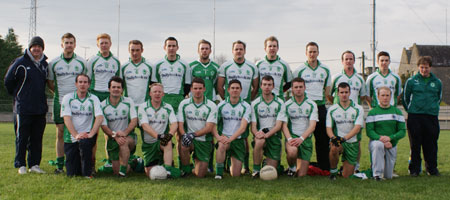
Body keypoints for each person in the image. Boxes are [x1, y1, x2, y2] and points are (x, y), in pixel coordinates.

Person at [5, 36, 49, 175]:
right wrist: (19, 96)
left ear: (42, 49)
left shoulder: (44, 65)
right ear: (30, 48)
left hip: (40, 108)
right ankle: (21, 164)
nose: (36, 49)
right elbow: (8, 81)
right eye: (34, 46)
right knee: (22, 137)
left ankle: (34, 164)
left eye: (39, 47)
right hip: (23, 108)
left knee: (37, 138)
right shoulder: (20, 62)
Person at [47, 33, 87, 174]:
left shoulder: (82, 62)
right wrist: (61, 96)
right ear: (62, 44)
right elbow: (50, 82)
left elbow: (86, 81)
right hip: (60, 101)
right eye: (66, 42)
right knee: (61, 132)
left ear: (75, 45)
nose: (69, 45)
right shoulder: (54, 63)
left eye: (71, 42)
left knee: (78, 131)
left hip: (78, 102)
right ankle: (59, 165)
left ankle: (78, 161)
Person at [217, 40, 258, 173]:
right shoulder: (225, 66)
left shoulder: (252, 67)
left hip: (244, 105)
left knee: (244, 137)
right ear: (233, 50)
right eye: (236, 49)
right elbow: (219, 86)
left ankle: (245, 166)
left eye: (241, 49)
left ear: (244, 51)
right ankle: (223, 163)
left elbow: (255, 87)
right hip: (230, 103)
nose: (239, 51)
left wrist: (246, 101)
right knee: (225, 131)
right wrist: (228, 102)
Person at [293, 42, 331, 171]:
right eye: (310, 52)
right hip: (305, 108)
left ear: (318, 53)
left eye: (314, 51)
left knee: (322, 139)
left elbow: (327, 90)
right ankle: (297, 166)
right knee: (302, 137)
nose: (312, 54)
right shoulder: (299, 70)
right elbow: (294, 88)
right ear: (306, 53)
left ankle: (324, 167)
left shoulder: (325, 69)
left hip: (320, 107)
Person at [329, 50, 368, 172]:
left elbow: (362, 97)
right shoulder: (336, 77)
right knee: (335, 142)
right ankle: (334, 167)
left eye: (351, 59)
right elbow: (329, 95)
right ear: (342, 61)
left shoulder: (360, 79)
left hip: (354, 116)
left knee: (357, 141)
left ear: (354, 61)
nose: (348, 61)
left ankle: (355, 166)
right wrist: (338, 108)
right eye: (346, 59)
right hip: (339, 117)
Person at [403, 56, 442, 177]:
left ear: (430, 67)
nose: (424, 70)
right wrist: (411, 110)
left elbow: (439, 98)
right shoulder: (411, 81)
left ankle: (432, 169)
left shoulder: (437, 82)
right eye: (421, 67)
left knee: (431, 144)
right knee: (415, 144)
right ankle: (414, 169)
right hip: (415, 117)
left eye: (426, 67)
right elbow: (405, 98)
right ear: (418, 68)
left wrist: (432, 108)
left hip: (431, 117)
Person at [61, 74, 103, 177]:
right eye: (80, 82)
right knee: (72, 174)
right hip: (72, 137)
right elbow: (66, 118)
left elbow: (99, 117)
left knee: (85, 144)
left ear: (89, 85)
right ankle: (78, 167)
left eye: (85, 82)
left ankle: (87, 173)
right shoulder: (68, 98)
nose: (82, 84)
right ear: (76, 84)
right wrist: (76, 135)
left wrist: (91, 134)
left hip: (87, 135)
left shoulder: (94, 99)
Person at [190, 39, 220, 173]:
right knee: (189, 132)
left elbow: (217, 85)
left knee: (210, 134)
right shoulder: (191, 66)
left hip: (210, 103)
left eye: (207, 48)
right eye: (202, 48)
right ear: (198, 50)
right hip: (194, 103)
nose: (204, 51)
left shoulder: (215, 67)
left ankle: (209, 163)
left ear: (210, 50)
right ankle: (190, 162)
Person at [178, 78, 217, 177]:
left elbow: (209, 127)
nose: (198, 91)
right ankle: (186, 170)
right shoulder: (184, 104)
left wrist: (193, 135)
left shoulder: (211, 105)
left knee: (200, 175)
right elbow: (180, 124)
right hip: (189, 139)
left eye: (200, 88)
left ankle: (197, 162)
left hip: (203, 141)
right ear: (191, 89)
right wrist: (185, 135)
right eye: (195, 88)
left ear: (204, 89)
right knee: (183, 144)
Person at [138, 83, 178, 177]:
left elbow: (174, 123)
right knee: (149, 173)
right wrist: (158, 136)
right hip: (149, 145)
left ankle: (168, 172)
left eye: (159, 92)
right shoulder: (143, 107)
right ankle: (137, 162)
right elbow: (145, 126)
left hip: (162, 142)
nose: (157, 94)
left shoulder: (168, 107)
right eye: (155, 91)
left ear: (163, 94)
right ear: (150, 94)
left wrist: (170, 135)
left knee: (168, 142)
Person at [100, 76, 137, 177]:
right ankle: (134, 163)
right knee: (115, 170)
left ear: (122, 90)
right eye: (113, 87)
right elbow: (103, 126)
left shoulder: (128, 102)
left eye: (118, 87)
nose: (116, 89)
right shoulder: (102, 105)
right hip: (113, 138)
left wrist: (124, 132)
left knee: (123, 142)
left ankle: (122, 172)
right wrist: (114, 135)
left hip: (128, 137)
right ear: (109, 89)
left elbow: (134, 120)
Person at [214, 79, 251, 179]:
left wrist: (230, 139)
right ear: (228, 90)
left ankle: (229, 161)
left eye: (237, 88)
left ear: (241, 90)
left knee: (235, 175)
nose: (235, 90)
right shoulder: (221, 105)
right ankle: (219, 174)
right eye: (233, 88)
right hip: (224, 138)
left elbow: (243, 128)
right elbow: (213, 124)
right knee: (221, 145)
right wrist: (219, 137)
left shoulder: (246, 106)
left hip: (238, 140)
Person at [251, 75, 287, 178]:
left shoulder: (280, 103)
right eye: (265, 84)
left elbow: (278, 126)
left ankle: (269, 163)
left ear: (273, 86)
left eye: (269, 85)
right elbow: (253, 126)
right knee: (259, 141)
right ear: (261, 86)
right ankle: (256, 170)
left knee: (272, 171)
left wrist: (266, 135)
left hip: (274, 136)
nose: (267, 87)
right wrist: (258, 134)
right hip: (260, 136)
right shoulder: (255, 104)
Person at [366, 86, 406, 180]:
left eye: (387, 95)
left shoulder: (397, 112)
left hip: (391, 144)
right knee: (378, 145)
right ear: (378, 96)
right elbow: (369, 131)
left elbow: (402, 131)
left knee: (388, 176)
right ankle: (377, 175)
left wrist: (390, 138)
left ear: (391, 96)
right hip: (377, 142)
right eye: (383, 95)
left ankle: (385, 172)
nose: (385, 98)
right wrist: (381, 139)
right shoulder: (373, 112)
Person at [326, 82, 364, 180]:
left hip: (352, 143)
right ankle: (333, 172)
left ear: (350, 93)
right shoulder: (332, 109)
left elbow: (357, 128)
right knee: (334, 147)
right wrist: (333, 138)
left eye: (346, 92)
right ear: (337, 94)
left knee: (347, 176)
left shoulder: (358, 108)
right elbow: (329, 128)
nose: (344, 95)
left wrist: (344, 138)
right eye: (342, 92)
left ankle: (343, 169)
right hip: (339, 141)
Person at [282, 77, 318, 177]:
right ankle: (291, 169)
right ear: (292, 89)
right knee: (292, 151)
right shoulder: (286, 105)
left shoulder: (312, 104)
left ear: (304, 88)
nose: (298, 89)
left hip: (305, 140)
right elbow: (283, 125)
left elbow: (312, 126)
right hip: (292, 138)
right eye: (296, 87)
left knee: (301, 175)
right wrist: (289, 139)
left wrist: (301, 139)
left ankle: (297, 166)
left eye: (300, 87)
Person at [153, 36, 192, 113]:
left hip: (178, 98)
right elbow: (154, 84)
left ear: (177, 47)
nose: (171, 48)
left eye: (174, 46)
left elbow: (187, 84)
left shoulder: (185, 65)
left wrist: (183, 96)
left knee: (178, 123)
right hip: (163, 98)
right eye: (169, 46)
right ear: (165, 47)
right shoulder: (157, 65)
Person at [256, 36, 293, 100]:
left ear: (277, 48)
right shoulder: (258, 64)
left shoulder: (284, 64)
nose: (272, 48)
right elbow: (254, 83)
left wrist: (280, 91)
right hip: (261, 98)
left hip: (278, 98)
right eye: (270, 46)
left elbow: (289, 82)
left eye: (274, 46)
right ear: (265, 48)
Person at [87, 33, 121, 101]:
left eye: (106, 43)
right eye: (101, 43)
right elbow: (88, 79)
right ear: (97, 45)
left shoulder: (116, 61)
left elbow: (119, 80)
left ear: (110, 44)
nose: (104, 45)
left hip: (110, 94)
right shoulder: (92, 60)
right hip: (95, 93)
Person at [121, 40, 153, 105]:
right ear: (128, 50)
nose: (135, 53)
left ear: (142, 50)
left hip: (145, 105)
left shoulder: (150, 66)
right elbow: (120, 87)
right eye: (132, 50)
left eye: (137, 50)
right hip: (128, 105)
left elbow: (153, 86)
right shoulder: (123, 67)